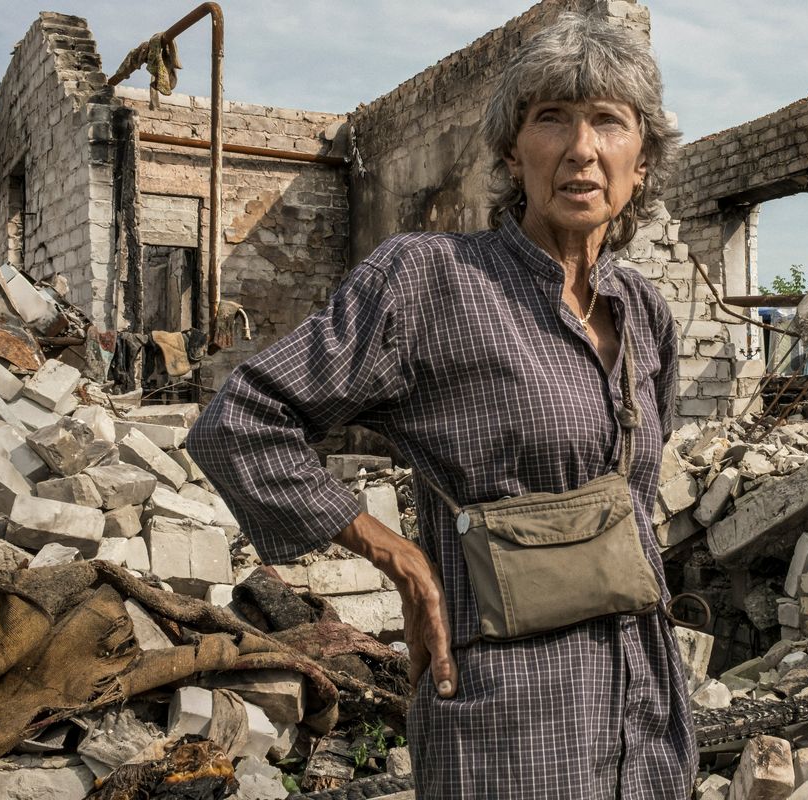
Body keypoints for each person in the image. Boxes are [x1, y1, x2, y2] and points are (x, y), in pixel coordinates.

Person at [187, 12, 694, 798]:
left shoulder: (642, 309)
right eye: (551, 118)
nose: (582, 148)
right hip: (507, 715)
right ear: (511, 151)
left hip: (643, 711)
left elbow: (636, 491)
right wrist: (404, 560)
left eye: (609, 123)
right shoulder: (429, 281)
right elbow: (242, 424)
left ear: (644, 159)